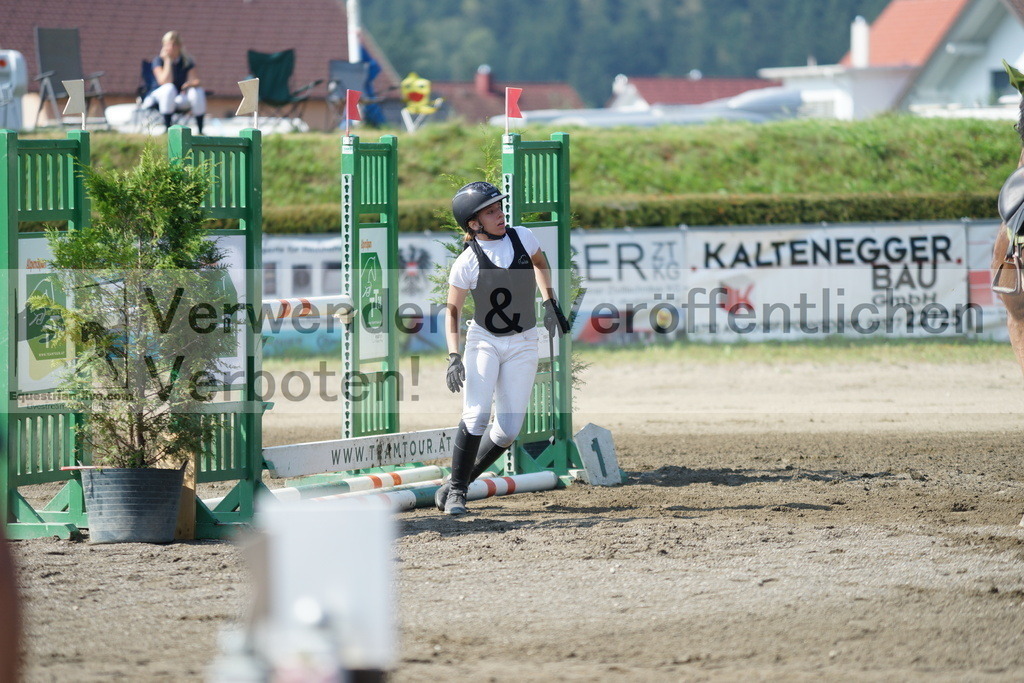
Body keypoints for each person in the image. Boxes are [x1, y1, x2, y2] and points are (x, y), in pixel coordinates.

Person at [436, 181, 571, 515]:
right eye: (491, 212)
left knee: (508, 432)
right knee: (477, 414)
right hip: (485, 341)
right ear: (473, 223)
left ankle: (458, 482)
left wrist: (549, 301)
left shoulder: (523, 237)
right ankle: (457, 493)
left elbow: (540, 264)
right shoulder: (466, 262)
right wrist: (454, 355)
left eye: (500, 208)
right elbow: (452, 311)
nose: (500, 215)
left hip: (524, 342)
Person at [142, 31, 206, 134]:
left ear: (179, 46)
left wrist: (189, 85)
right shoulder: (158, 60)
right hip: (157, 97)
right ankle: (167, 128)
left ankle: (200, 130)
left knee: (197, 91)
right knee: (169, 88)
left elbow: (194, 80)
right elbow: (164, 81)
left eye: (174, 44)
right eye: (168, 45)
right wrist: (168, 61)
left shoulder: (186, 61)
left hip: (178, 97)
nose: (171, 47)